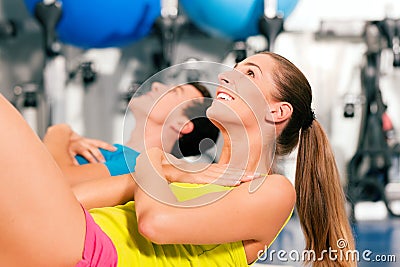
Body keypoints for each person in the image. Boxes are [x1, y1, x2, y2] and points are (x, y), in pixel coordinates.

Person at [0, 52, 355, 267]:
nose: (225, 75)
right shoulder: (186, 169)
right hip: (71, 230)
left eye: (249, 74)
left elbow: (156, 223)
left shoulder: (272, 190)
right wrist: (155, 170)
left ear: (277, 112)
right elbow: (73, 198)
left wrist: (154, 162)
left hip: (92, 251)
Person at [43, 81, 220, 186]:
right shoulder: (120, 155)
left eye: (173, 92)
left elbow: (57, 183)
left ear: (182, 125)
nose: (156, 85)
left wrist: (59, 132)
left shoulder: (134, 166)